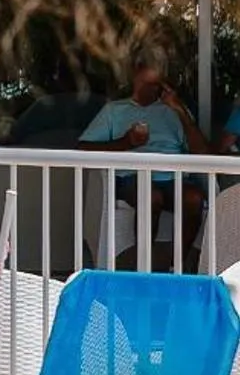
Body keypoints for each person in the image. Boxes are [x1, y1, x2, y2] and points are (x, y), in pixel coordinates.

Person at [79, 55, 211, 268]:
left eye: (155, 85)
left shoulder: (173, 110)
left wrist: (180, 111)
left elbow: (202, 153)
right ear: (134, 78)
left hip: (172, 178)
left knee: (194, 199)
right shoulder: (115, 110)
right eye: (145, 83)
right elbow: (83, 148)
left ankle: (176, 265)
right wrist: (126, 142)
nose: (150, 89)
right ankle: (144, 266)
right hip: (131, 177)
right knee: (151, 197)